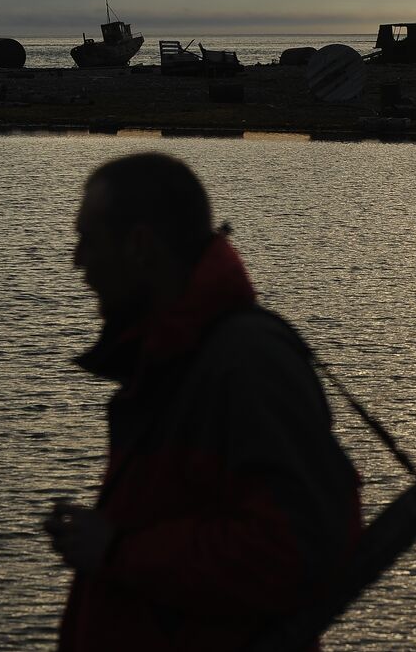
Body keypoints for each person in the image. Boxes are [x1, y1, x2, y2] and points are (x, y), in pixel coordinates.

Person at [44, 152, 362, 651]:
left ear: (139, 245)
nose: (77, 262)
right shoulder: (170, 360)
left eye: (89, 238)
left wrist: (116, 550)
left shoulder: (245, 363)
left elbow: (297, 551)